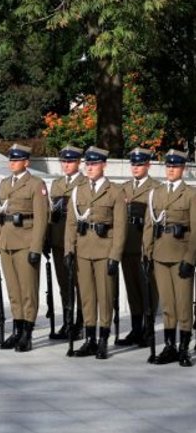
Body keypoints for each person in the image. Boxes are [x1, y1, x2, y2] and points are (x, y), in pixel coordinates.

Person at [64, 146, 127, 360]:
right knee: (87, 296)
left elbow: (120, 227)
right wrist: (69, 250)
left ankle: (103, 340)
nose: (89, 168)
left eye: (94, 164)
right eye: (88, 164)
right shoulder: (78, 190)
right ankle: (89, 339)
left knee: (105, 295)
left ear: (104, 165)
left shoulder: (115, 191)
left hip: (104, 250)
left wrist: (115, 256)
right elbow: (71, 224)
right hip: (82, 250)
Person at [143, 149, 196, 366]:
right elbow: (149, 226)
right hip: (160, 255)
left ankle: (184, 348)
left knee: (183, 304)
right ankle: (170, 346)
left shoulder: (190, 194)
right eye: (168, 166)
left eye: (175, 166)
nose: (171, 170)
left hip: (181, 255)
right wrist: (147, 253)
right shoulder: (156, 193)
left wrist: (190, 259)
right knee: (167, 305)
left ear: (183, 168)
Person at [0, 144, 49, 352]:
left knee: (28, 291)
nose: (12, 163)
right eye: (11, 159)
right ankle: (16, 331)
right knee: (13, 291)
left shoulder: (36, 184)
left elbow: (41, 218)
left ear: (26, 162)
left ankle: (27, 333)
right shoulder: (4, 183)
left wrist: (36, 247)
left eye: (16, 160)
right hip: (7, 242)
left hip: (26, 242)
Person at [116, 147, 159, 347]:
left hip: (144, 245)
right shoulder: (123, 188)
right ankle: (136, 329)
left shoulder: (156, 188)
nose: (135, 167)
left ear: (148, 165)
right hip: (127, 245)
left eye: (140, 164)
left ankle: (148, 331)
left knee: (147, 289)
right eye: (133, 164)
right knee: (132, 289)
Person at [46, 145, 87, 341]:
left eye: (70, 161)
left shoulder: (85, 183)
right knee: (64, 283)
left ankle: (81, 323)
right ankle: (67, 322)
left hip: (78, 241)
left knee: (80, 284)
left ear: (78, 162)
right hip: (58, 240)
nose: (66, 165)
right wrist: (47, 238)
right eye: (63, 161)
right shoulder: (56, 184)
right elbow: (51, 214)